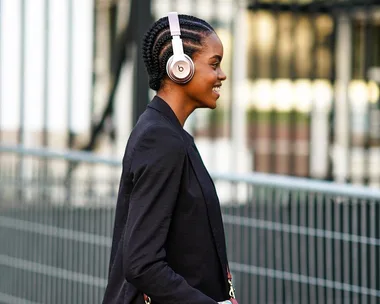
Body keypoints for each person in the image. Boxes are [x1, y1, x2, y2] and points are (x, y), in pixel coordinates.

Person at [102, 12, 236, 304]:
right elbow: (142, 264)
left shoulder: (169, 133)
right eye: (214, 64)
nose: (222, 75)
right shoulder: (159, 139)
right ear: (180, 67)